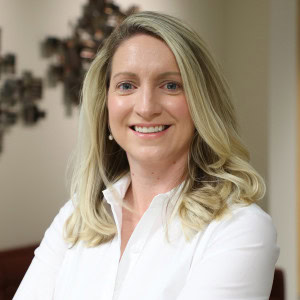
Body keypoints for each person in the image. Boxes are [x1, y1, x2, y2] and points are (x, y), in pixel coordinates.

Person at [14, 11, 280, 300]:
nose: (146, 107)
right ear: (105, 104)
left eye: (170, 85)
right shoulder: (77, 216)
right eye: (127, 85)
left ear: (202, 103)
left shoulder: (241, 228)